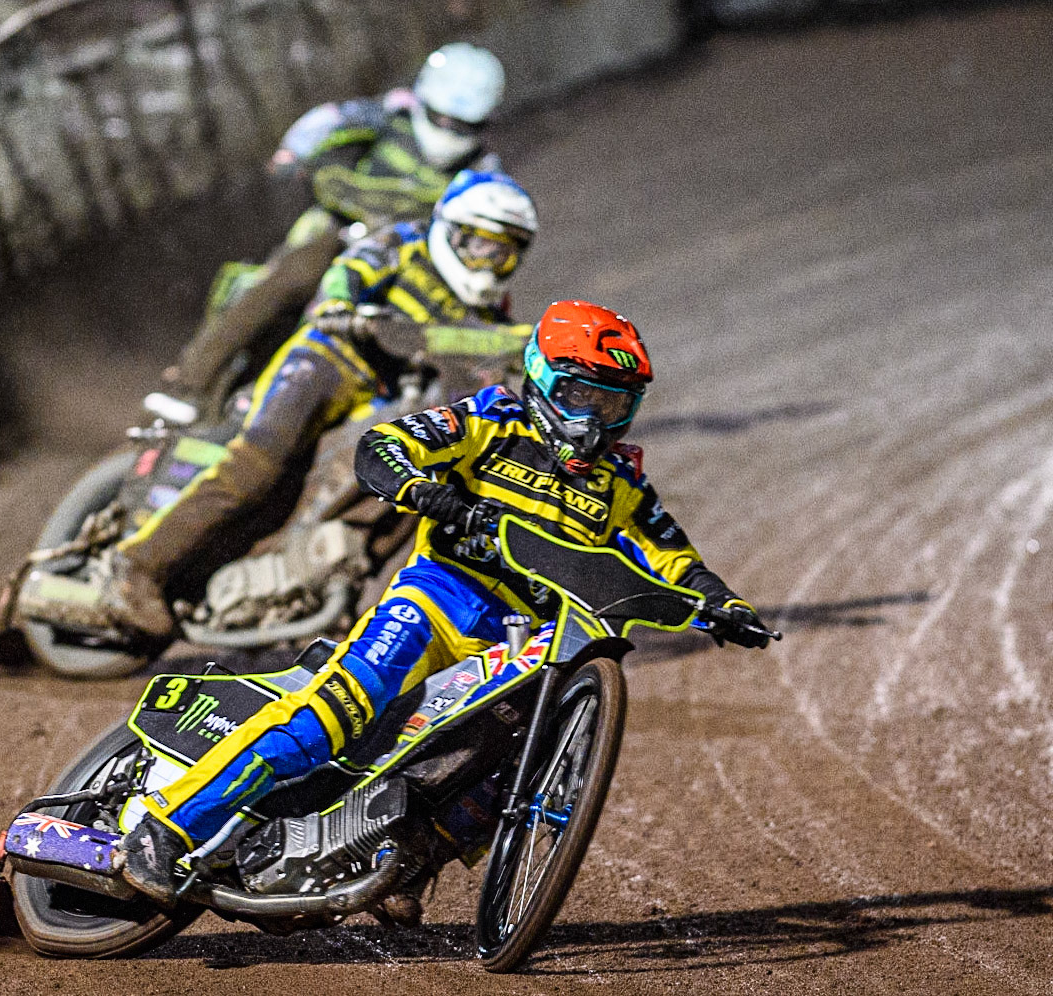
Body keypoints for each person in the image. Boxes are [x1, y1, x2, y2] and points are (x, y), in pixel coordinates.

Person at [120, 299, 773, 909]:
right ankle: (167, 828)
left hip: (520, 643)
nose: (589, 420)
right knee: (334, 715)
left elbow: (674, 557)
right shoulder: (489, 417)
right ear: (543, 378)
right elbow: (384, 448)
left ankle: (402, 858)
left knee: (523, 758)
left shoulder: (624, 480)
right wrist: (430, 493)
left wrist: (722, 604)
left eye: (611, 405)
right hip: (435, 602)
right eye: (579, 396)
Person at [61, 170, 540, 641]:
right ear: (451, 231)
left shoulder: (487, 317)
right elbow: (350, 270)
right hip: (327, 358)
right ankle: (135, 566)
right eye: (484, 245)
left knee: (389, 485)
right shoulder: (404, 241)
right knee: (260, 464)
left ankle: (312, 585)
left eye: (508, 254)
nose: (492, 264)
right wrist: (338, 303)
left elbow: (482, 364)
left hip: (379, 400)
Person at [164, 42, 509, 401]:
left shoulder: (485, 171)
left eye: (463, 126)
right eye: (442, 118)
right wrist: (293, 153)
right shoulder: (383, 116)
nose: (450, 132)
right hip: (341, 226)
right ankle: (191, 378)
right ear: (424, 99)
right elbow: (324, 126)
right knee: (295, 273)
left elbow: (498, 222)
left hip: (407, 255)